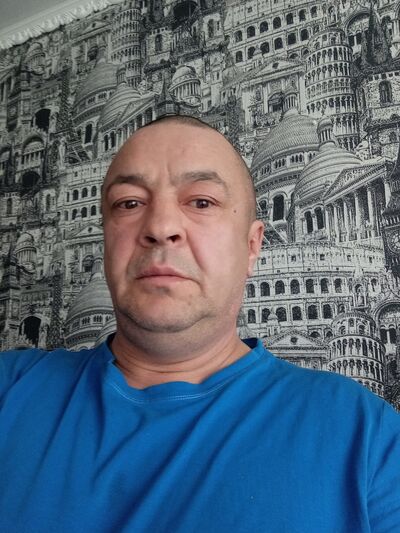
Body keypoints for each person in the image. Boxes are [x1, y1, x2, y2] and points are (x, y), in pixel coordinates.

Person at [0, 115, 399, 532]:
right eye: (129, 203)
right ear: (106, 241)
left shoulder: (366, 438)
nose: (161, 227)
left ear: (252, 246)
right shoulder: (9, 390)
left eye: (201, 202)